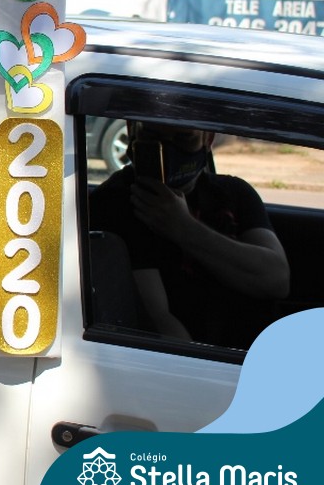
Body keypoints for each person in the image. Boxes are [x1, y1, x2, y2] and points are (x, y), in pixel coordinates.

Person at [88, 120, 289, 348]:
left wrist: (184, 227)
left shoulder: (234, 192)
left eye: (184, 138)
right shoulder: (116, 204)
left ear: (208, 139)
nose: (167, 148)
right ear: (132, 130)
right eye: (152, 136)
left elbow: (277, 279)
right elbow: (158, 322)